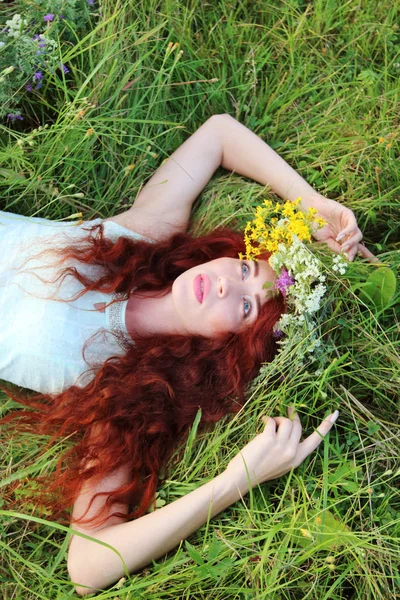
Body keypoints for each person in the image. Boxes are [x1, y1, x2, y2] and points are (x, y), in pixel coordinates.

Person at [1, 114, 372, 595]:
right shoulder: (142, 236)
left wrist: (240, 478)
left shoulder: (118, 396)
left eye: (242, 306)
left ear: (226, 350)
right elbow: (219, 133)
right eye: (242, 268)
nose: (225, 282)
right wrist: (311, 205)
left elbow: (89, 566)